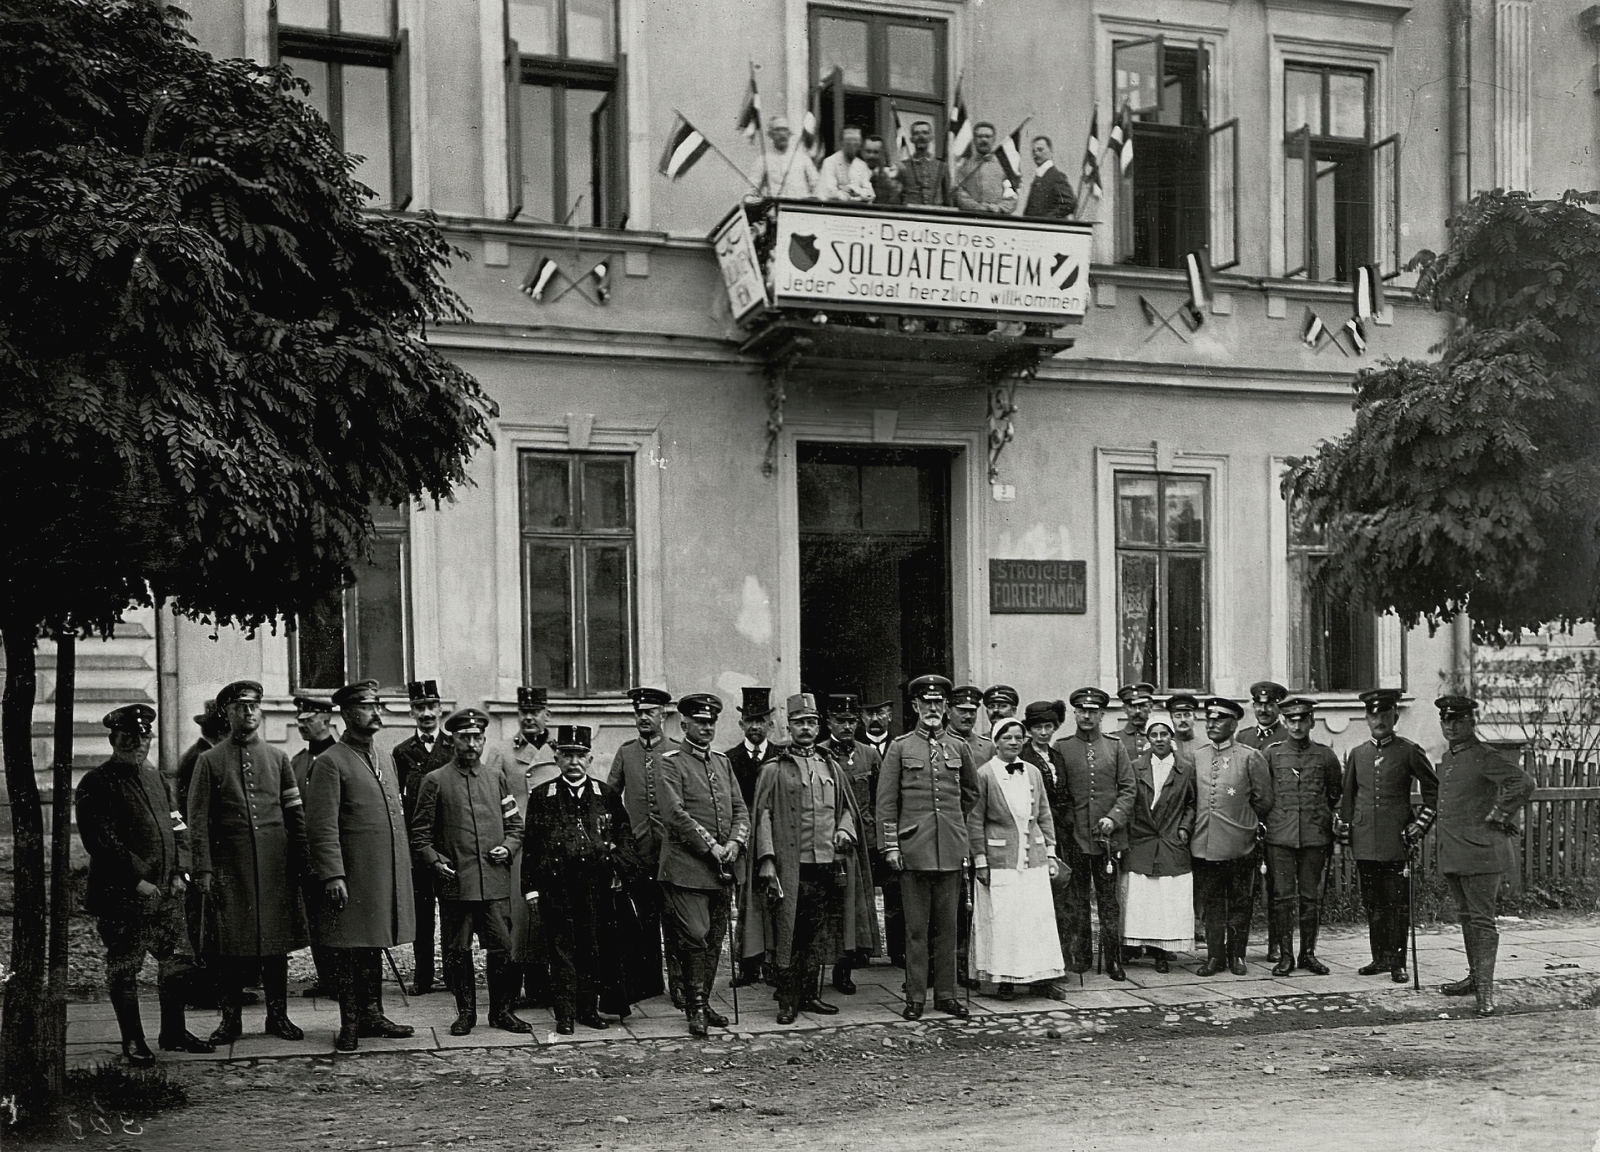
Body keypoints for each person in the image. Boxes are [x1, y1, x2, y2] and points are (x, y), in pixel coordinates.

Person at [76, 704, 214, 1065]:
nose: (137, 743)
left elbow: (179, 828)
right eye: (128, 737)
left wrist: (179, 873)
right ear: (113, 739)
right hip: (125, 896)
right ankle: (133, 1041)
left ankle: (173, 1032)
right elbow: (102, 842)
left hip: (166, 894)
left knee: (178, 962)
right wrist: (138, 881)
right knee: (125, 968)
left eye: (143, 736)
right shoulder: (97, 782)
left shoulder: (157, 780)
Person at [188, 679, 308, 1044]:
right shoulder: (209, 761)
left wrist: (302, 859)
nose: (249, 712)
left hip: (274, 868)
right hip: (230, 869)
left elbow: (294, 814)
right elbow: (197, 821)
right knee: (230, 948)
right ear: (227, 713)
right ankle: (231, 1021)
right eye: (240, 706)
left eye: (254, 705)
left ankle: (278, 1017)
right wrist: (204, 869)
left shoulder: (278, 758)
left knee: (275, 946)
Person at [304, 679, 416, 1052]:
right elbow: (321, 826)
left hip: (382, 874)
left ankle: (373, 1015)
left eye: (377, 705)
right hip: (351, 876)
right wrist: (333, 874)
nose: (376, 713)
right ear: (348, 714)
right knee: (349, 949)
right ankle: (350, 1023)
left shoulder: (384, 757)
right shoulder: (330, 762)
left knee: (373, 945)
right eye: (367, 707)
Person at [753, 693, 877, 1024]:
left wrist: (845, 831)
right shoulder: (774, 770)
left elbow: (846, 809)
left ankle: (810, 995)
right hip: (790, 868)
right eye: (799, 723)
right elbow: (762, 815)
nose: (805, 728)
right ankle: (787, 1000)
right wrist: (766, 858)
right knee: (788, 935)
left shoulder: (830, 767)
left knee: (816, 935)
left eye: (811, 722)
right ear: (789, 727)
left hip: (826, 865)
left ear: (817, 726)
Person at [409, 708, 529, 1037]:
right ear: (453, 739)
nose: (471, 744)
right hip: (456, 884)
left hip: (493, 883)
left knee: (503, 948)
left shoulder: (496, 779)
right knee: (457, 951)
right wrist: (435, 861)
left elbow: (516, 827)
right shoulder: (435, 781)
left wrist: (508, 846)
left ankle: (502, 1011)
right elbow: (419, 836)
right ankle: (465, 1014)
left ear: (483, 740)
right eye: (464, 738)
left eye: (477, 738)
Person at [522, 725, 638, 1033]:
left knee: (591, 948)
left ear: (590, 759)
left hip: (595, 887)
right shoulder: (542, 796)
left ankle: (588, 1010)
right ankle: (564, 1014)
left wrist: (618, 869)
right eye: (567, 755)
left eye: (580, 756)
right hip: (556, 887)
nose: (574, 762)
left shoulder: (607, 795)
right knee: (561, 951)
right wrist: (531, 888)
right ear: (557, 758)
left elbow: (625, 837)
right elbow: (531, 845)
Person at [876, 674, 977, 1021]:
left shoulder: (960, 747)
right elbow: (886, 803)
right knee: (916, 930)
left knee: (948, 929)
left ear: (946, 708)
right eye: (926, 703)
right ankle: (916, 996)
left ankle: (946, 995)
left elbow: (971, 794)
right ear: (916, 706)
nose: (932, 709)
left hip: (949, 850)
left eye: (938, 703)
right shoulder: (900, 748)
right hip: (912, 850)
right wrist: (892, 846)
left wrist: (951, 826)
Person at [1433, 695, 1536, 1016]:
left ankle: (1486, 994)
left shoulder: (1485, 756)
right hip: (1454, 851)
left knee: (1482, 920)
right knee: (1466, 917)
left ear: (1471, 723)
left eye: (1458, 721)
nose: (1450, 726)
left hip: (1481, 853)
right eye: (1446, 721)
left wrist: (1500, 815)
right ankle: (1475, 978)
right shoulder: (1449, 759)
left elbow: (1523, 782)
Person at [655, 692, 750, 1037]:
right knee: (695, 935)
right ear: (684, 725)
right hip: (687, 865)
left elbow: (740, 808)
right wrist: (712, 847)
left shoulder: (722, 763)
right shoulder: (669, 762)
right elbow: (675, 814)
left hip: (722, 867)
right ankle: (694, 1007)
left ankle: (704, 1002)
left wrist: (735, 843)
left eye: (711, 722)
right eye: (699, 721)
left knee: (713, 939)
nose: (706, 727)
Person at [1338, 688, 1440, 983]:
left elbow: (1433, 794)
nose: (1379, 720)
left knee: (1396, 904)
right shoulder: (1358, 754)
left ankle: (1398, 962)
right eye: (1373, 714)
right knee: (1373, 902)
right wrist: (1346, 832)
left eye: (1385, 714)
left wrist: (1419, 825)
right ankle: (1379, 958)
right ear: (1366, 718)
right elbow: (1348, 799)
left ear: (1395, 716)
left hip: (1397, 840)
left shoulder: (1409, 751)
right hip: (1365, 840)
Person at [967, 717, 1064, 998]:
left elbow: (1044, 814)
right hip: (1000, 860)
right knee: (1005, 920)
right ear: (996, 742)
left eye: (1018, 738)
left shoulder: (1033, 772)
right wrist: (981, 861)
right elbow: (975, 821)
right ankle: (1005, 980)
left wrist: (1051, 854)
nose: (1013, 742)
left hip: (1033, 858)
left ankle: (1043, 978)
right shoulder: (984, 774)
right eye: (1007, 737)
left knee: (1037, 918)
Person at [1053, 687, 1137, 980]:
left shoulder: (1115, 747)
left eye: (1093, 711)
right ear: (1075, 713)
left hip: (1109, 841)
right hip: (1075, 838)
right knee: (1076, 899)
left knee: (1109, 901)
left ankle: (1113, 959)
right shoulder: (1062, 748)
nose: (1087, 716)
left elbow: (1128, 789)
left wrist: (1114, 819)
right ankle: (1082, 956)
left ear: (1102, 714)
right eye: (1081, 711)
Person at [1190, 698, 1274, 976]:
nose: (1212, 724)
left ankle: (1237, 954)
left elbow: (1264, 800)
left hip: (1240, 844)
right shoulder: (1197, 757)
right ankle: (1215, 956)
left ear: (1234, 724)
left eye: (1220, 719)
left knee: (1240, 901)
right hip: (1205, 843)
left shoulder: (1250, 757)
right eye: (1209, 719)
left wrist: (1244, 825)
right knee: (1212, 903)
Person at [606, 686, 679, 1004]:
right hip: (638, 853)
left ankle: (679, 983)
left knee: (675, 919)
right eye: (639, 713)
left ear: (663, 715)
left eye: (650, 712)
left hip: (672, 852)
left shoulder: (676, 752)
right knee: (643, 919)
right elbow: (610, 796)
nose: (643, 718)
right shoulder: (625, 753)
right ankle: (648, 983)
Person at [1262, 698, 1342, 977]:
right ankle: (1285, 956)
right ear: (1284, 721)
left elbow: (1334, 794)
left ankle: (1308, 954)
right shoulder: (1270, 755)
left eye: (1302, 719)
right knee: (1282, 897)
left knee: (1311, 897)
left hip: (1314, 837)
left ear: (1311, 722)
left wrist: (1325, 821)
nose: (1296, 725)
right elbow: (1263, 795)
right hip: (1280, 837)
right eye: (1291, 720)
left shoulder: (1325, 756)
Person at [391, 679, 454, 996]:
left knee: (453, 913)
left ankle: (455, 975)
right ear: (411, 711)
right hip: (419, 846)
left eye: (431, 707)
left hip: (449, 845)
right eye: (419, 707)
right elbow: (398, 803)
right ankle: (424, 976)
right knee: (423, 914)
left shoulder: (454, 748)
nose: (426, 713)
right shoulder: (402, 753)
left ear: (441, 709)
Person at [1122, 712, 1195, 973]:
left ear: (1171, 737)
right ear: (1148, 738)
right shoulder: (1135, 766)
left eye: (1164, 734)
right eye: (1154, 734)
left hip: (1170, 840)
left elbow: (1191, 803)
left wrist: (1185, 827)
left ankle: (1162, 951)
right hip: (1142, 840)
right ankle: (1133, 946)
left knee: (1167, 898)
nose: (1159, 739)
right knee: (1142, 897)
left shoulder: (1185, 769)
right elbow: (1127, 800)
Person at [818, 692, 881, 994]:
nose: (847, 726)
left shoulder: (869, 755)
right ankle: (819, 966)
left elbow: (882, 800)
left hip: (861, 845)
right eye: (841, 720)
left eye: (852, 721)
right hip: (827, 842)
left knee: (854, 909)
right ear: (828, 720)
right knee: (828, 909)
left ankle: (844, 969)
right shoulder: (818, 753)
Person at [500, 685, 557, 1010]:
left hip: (551, 848)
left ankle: (542, 985)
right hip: (520, 846)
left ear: (547, 714)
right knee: (519, 919)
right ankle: (512, 986)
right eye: (524, 712)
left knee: (547, 917)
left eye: (535, 712)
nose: (529, 718)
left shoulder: (560, 750)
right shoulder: (504, 753)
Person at [175, 697, 227, 1009]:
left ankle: (216, 988)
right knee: (205, 924)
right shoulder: (200, 759)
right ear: (220, 732)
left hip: (207, 850)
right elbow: (195, 813)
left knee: (211, 923)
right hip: (203, 851)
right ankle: (207, 992)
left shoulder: (201, 754)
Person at [290, 694, 340, 998]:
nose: (301, 725)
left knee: (338, 919)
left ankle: (343, 980)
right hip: (307, 857)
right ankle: (327, 979)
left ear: (326, 719)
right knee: (316, 921)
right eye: (299, 721)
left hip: (335, 855)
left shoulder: (342, 757)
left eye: (307, 720)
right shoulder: (297, 762)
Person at [727, 686, 777, 987]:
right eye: (749, 720)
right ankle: (748, 966)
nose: (755, 726)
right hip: (745, 842)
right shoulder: (730, 759)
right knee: (745, 903)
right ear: (741, 723)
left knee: (773, 901)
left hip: (774, 842)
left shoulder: (780, 756)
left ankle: (772, 963)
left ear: (770, 722)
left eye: (760, 719)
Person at [1238, 681, 1290, 963]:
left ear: (1278, 707)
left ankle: (1277, 945)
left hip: (1276, 823)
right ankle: (1240, 946)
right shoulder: (1244, 737)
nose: (1264, 709)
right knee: (1243, 888)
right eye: (1259, 704)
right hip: (1246, 823)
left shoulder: (1286, 736)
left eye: (1270, 705)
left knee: (1276, 889)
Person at [1018, 700, 1071, 964]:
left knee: (1059, 899)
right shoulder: (1023, 758)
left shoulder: (1057, 756)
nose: (1043, 732)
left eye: (1048, 726)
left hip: (1059, 835)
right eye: (1037, 727)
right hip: (1033, 835)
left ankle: (1055, 960)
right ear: (1029, 729)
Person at [749, 115, 819, 198]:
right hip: (775, 208)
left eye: (785, 130)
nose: (782, 134)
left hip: (800, 207)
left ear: (789, 134)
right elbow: (752, 188)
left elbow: (817, 185)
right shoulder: (763, 160)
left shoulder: (803, 158)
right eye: (778, 130)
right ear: (771, 135)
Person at [954, 122, 1016, 214]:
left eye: (987, 136)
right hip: (970, 217)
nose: (983, 140)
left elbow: (1012, 194)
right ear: (974, 140)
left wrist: (999, 208)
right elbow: (959, 192)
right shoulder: (964, 165)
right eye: (979, 136)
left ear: (994, 139)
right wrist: (976, 206)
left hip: (996, 218)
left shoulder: (1004, 166)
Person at [1022, 135, 1077, 219]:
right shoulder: (1039, 177)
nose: (1036, 153)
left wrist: (1048, 219)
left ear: (1050, 151)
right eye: (1034, 151)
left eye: (1040, 150)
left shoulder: (1056, 176)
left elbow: (1069, 203)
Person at [899, 118, 951, 207]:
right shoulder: (903, 166)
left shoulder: (941, 166)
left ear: (931, 137)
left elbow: (948, 197)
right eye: (916, 133)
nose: (921, 136)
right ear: (911, 139)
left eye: (925, 132)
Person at [818, 125, 874, 202]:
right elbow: (830, 192)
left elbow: (870, 194)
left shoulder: (862, 165)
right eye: (849, 140)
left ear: (860, 142)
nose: (852, 143)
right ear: (841, 141)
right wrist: (859, 194)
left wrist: (852, 189)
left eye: (856, 140)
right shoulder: (830, 162)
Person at [948, 685, 994, 766]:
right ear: (948, 712)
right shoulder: (937, 743)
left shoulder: (988, 747)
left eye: (972, 711)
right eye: (962, 711)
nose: (968, 716)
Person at [1115, 682, 1156, 763]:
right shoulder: (1115, 740)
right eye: (1132, 706)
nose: (1137, 711)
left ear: (1150, 707)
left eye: (1142, 706)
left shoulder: (1160, 737)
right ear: (1125, 709)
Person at [862, 134, 902, 205]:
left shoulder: (890, 178)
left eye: (876, 152)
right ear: (862, 152)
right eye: (868, 151)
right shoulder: (856, 172)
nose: (871, 156)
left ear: (883, 154)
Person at [1165, 693, 1201, 765]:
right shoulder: (1165, 747)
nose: (1183, 720)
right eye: (1178, 716)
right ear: (1171, 719)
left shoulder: (1205, 745)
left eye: (1187, 715)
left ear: (1195, 718)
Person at [860, 698, 895, 762]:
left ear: (890, 716)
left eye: (880, 713)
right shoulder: (856, 747)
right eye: (869, 714)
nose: (874, 719)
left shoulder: (898, 745)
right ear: (862, 717)